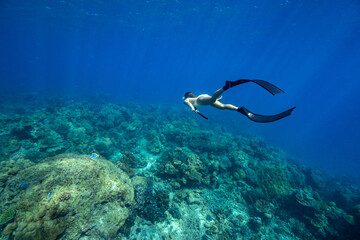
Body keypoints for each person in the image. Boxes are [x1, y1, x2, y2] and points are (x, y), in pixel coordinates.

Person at [183, 79, 296, 123]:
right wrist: (217, 99)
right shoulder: (194, 97)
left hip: (201, 100)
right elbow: (208, 99)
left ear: (187, 95)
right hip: (203, 99)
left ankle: (226, 87)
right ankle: (239, 110)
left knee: (212, 99)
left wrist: (193, 109)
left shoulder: (187, 99)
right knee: (222, 107)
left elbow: (188, 103)